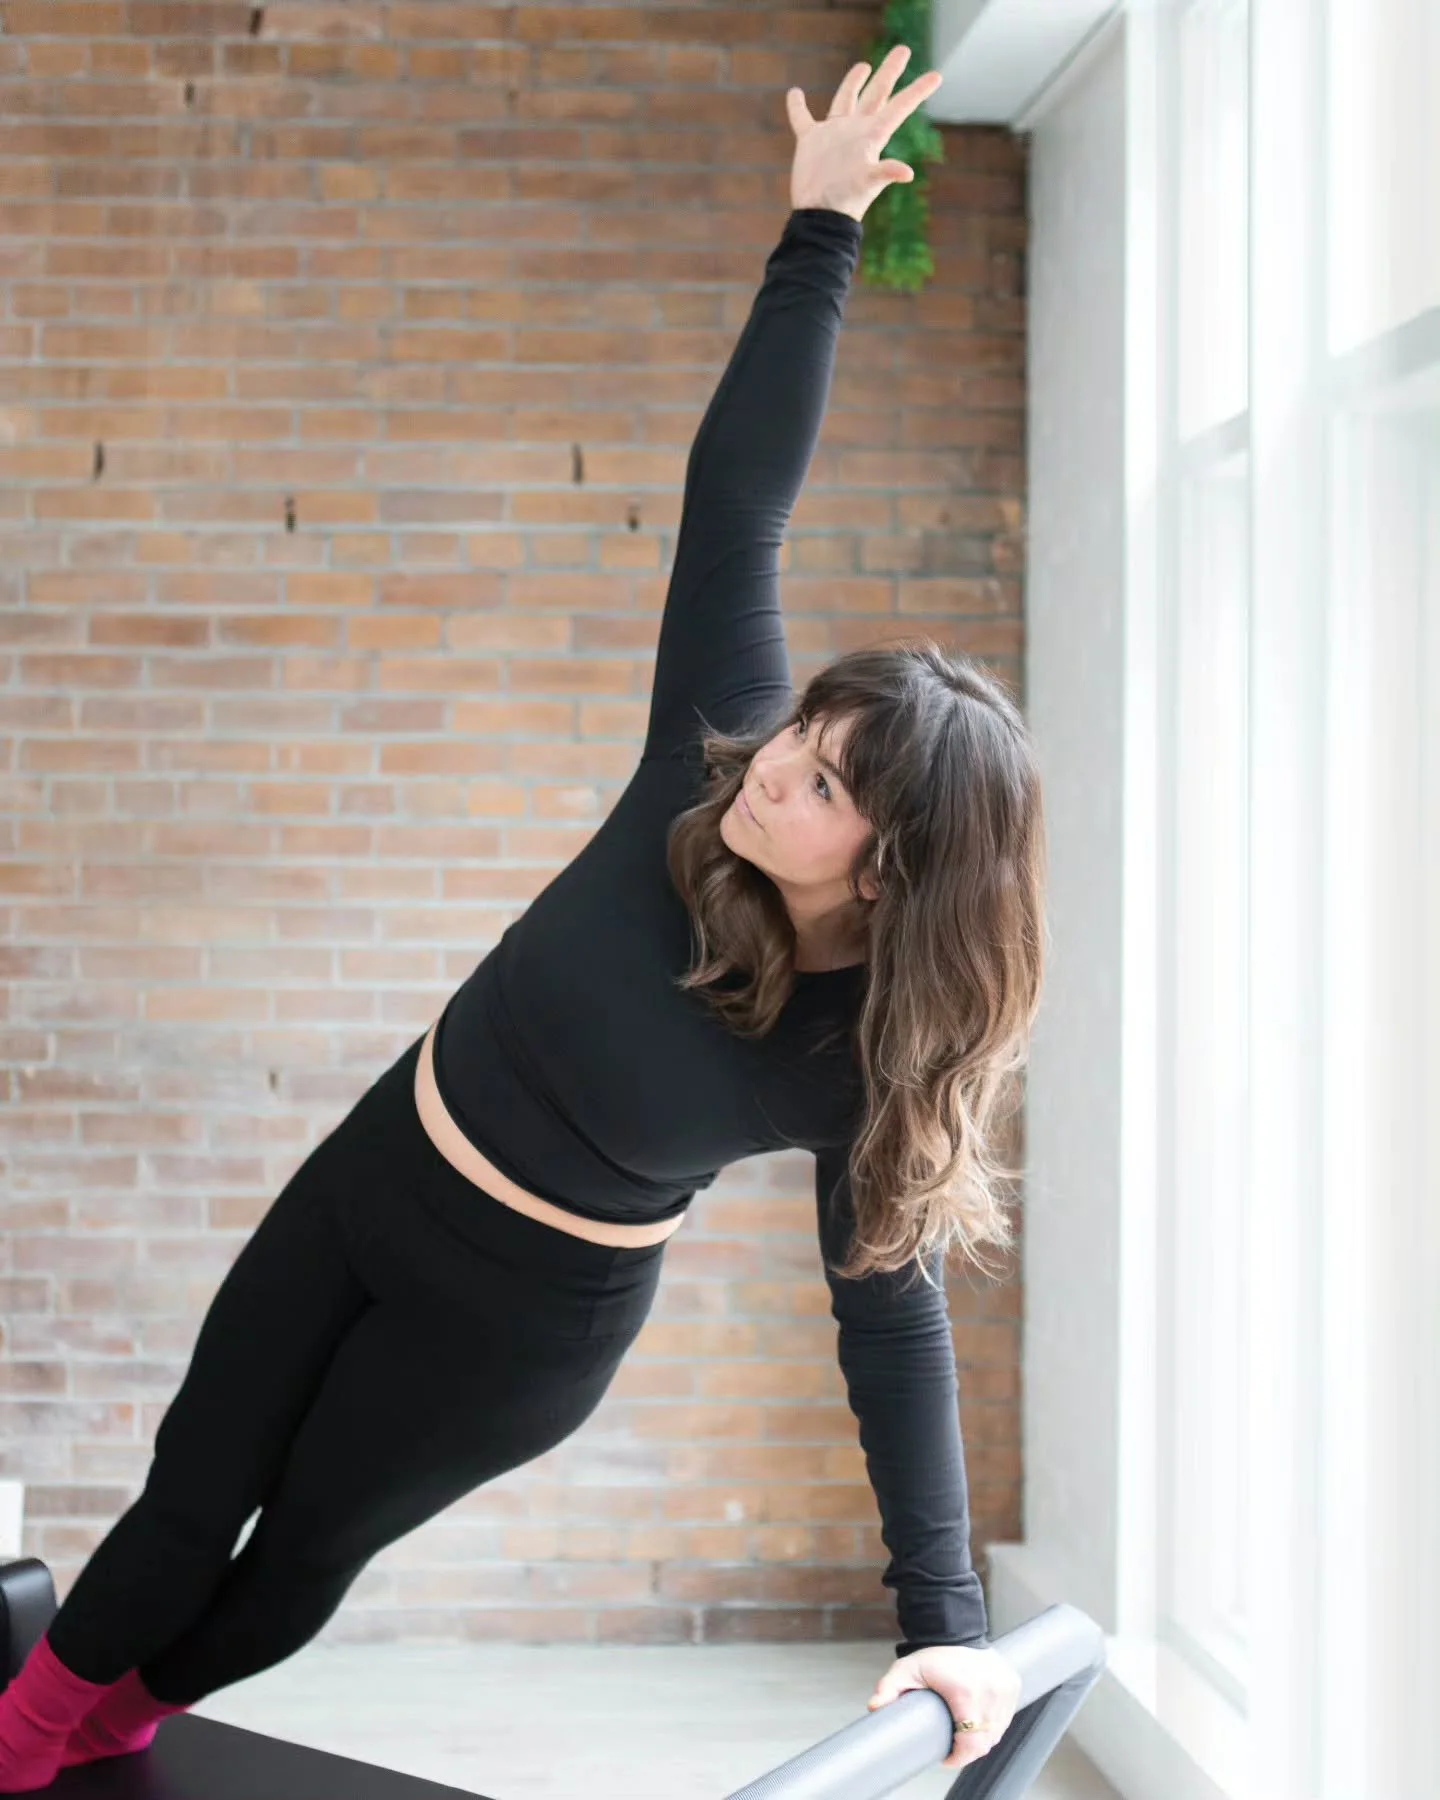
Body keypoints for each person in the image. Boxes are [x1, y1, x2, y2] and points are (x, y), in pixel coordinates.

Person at [0, 45, 1032, 1791]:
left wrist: (943, 1615)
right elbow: (740, 506)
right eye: (807, 734)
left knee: (293, 1559)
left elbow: (893, 1327)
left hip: (520, 1327)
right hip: (375, 1168)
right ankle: (30, 1740)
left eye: (834, 785)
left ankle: (119, 1719)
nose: (782, 768)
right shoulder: (702, 783)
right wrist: (819, 232)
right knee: (191, 1487)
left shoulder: (858, 1065)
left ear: (894, 872)